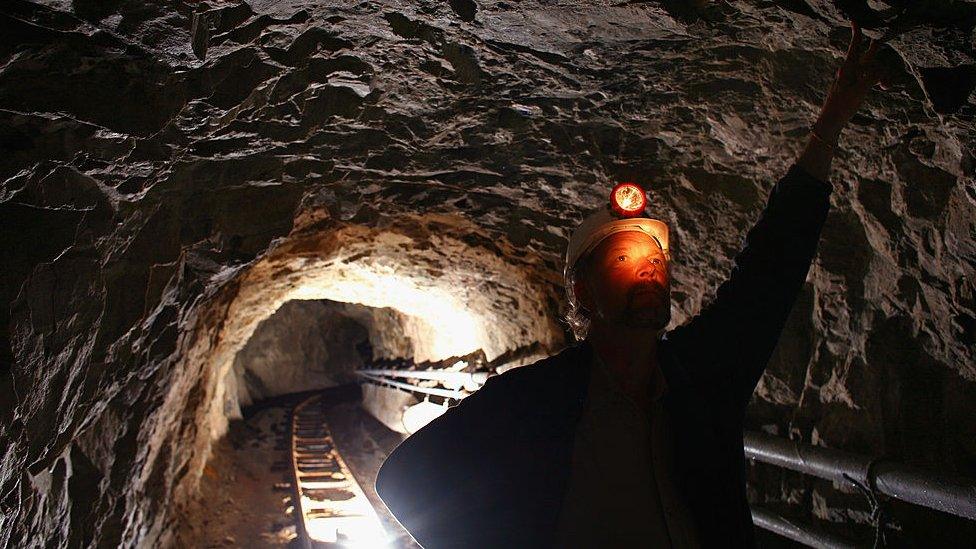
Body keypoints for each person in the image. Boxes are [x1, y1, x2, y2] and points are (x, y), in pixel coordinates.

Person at [375, 21, 884, 549]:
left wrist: (828, 128)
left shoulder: (702, 373)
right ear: (583, 294)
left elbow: (770, 270)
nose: (648, 267)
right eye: (624, 257)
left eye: (656, 258)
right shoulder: (535, 398)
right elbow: (405, 481)